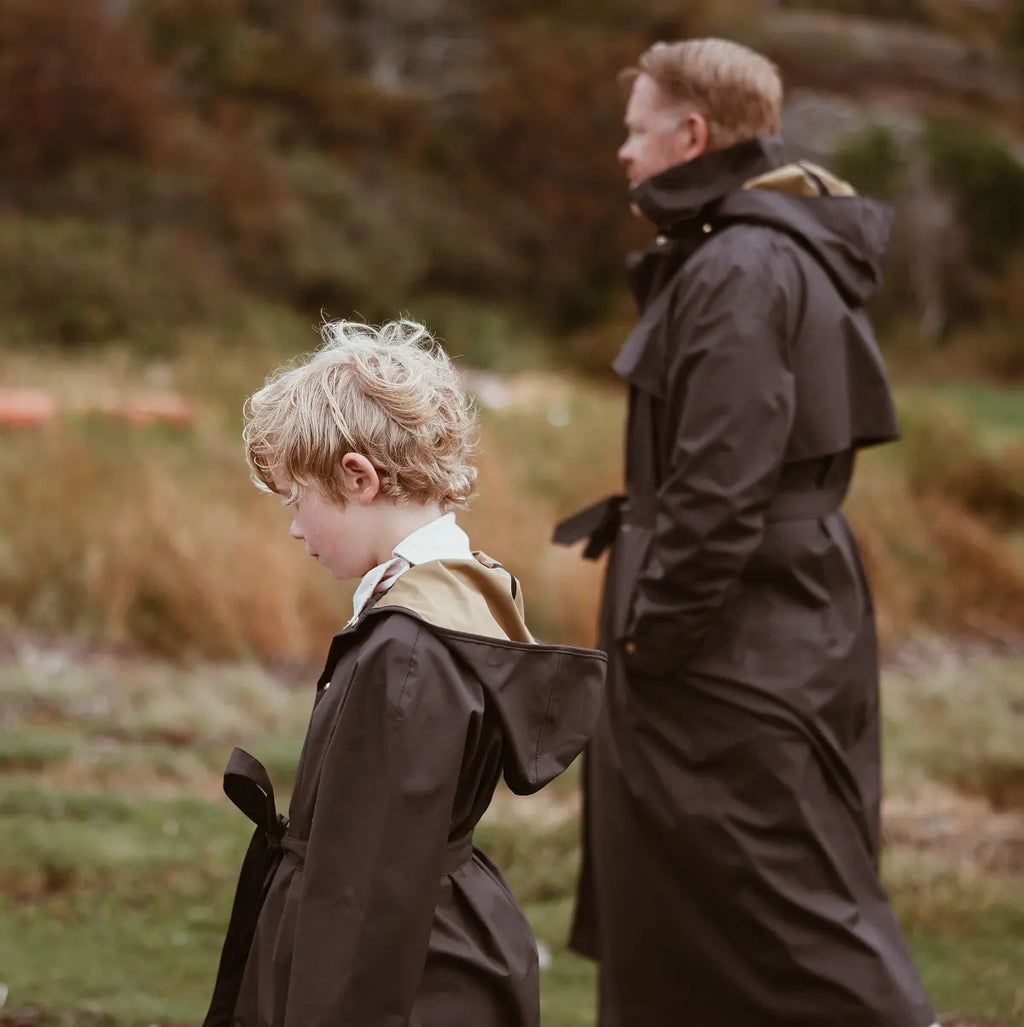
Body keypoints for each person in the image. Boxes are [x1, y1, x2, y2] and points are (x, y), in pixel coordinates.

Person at [554, 38, 937, 1027]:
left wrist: (655, 634)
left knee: (780, 889)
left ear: (691, 135)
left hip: (735, 639)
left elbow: (721, 483)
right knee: (694, 900)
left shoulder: (742, 265)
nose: (622, 151)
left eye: (636, 130)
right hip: (752, 621)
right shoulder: (735, 251)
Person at [202, 318, 606, 1027]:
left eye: (298, 499)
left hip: (414, 978)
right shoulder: (458, 591)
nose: (294, 527)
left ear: (357, 477)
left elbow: (367, 889)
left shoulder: (410, 650)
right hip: (435, 944)